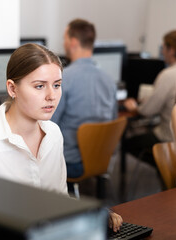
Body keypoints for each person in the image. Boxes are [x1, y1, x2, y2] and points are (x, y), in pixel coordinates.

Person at [0, 43, 122, 232]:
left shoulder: (53, 133)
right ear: (12, 89)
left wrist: (92, 216)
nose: (52, 95)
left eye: (57, 85)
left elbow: (58, 199)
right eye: (40, 86)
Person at [51, 18, 118, 178]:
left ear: (73, 42)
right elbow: (113, 120)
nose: (63, 44)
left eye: (64, 39)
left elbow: (49, 125)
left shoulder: (64, 79)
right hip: (102, 160)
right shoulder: (109, 80)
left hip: (71, 162)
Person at [122, 30, 176, 166]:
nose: (162, 52)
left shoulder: (168, 74)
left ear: (171, 50)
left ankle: (164, 166)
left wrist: (135, 107)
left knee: (129, 143)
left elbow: (147, 111)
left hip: (168, 138)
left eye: (163, 48)